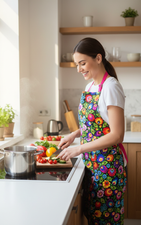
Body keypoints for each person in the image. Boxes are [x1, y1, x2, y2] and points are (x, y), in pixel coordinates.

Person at [58, 37, 128, 225]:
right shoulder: (90, 86)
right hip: (92, 164)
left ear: (98, 58)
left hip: (108, 168)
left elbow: (117, 134)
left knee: (105, 221)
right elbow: (94, 124)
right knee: (94, 218)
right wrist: (74, 134)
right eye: (76, 64)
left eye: (82, 63)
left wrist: (79, 148)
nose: (79, 69)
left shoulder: (111, 87)